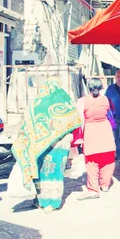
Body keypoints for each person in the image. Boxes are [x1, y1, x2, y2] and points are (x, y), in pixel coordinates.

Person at [11, 80, 82, 214]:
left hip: (40, 146)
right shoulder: (66, 104)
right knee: (56, 173)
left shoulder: (35, 104)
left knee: (42, 173)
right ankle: (52, 203)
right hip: (60, 145)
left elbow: (28, 124)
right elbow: (76, 121)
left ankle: (41, 201)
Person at [77, 78, 117, 200]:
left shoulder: (82, 101)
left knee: (92, 161)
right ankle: (105, 185)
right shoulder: (107, 100)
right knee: (108, 158)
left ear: (88, 87)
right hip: (105, 130)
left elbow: (78, 120)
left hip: (90, 132)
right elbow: (112, 115)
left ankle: (93, 190)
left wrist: (79, 138)